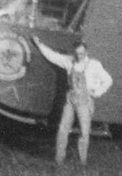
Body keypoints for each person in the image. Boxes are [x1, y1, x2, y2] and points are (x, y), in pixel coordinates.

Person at [31, 37, 113, 165]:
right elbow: (53, 56)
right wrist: (39, 44)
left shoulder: (94, 64)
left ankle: (82, 162)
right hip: (70, 100)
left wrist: (96, 92)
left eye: (81, 53)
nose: (79, 56)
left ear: (86, 52)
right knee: (63, 128)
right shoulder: (70, 62)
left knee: (84, 132)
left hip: (85, 101)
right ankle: (59, 160)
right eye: (77, 53)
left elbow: (108, 80)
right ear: (74, 52)